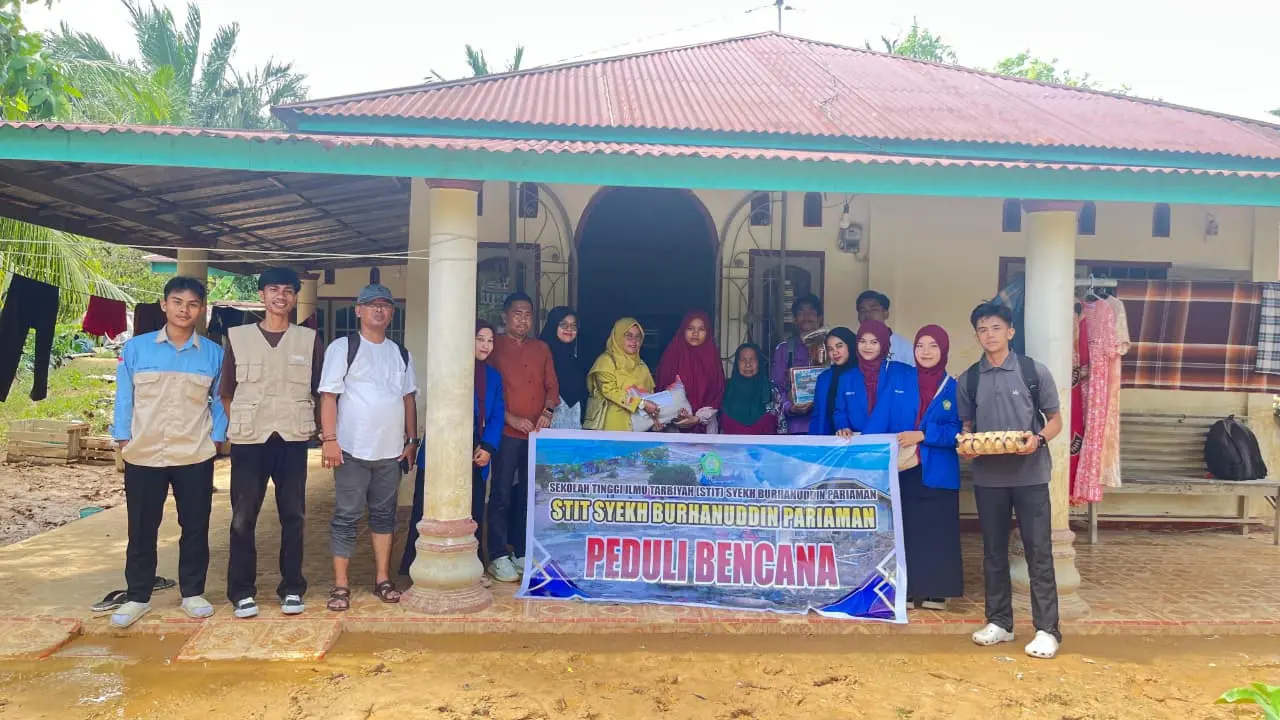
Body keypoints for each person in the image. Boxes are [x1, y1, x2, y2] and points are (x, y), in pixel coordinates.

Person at [109, 276, 227, 628]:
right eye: (177, 302)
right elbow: (125, 397)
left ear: (201, 310)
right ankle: (138, 596)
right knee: (142, 528)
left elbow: (221, 400)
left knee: (195, 526)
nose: (184, 310)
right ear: (164, 305)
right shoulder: (136, 349)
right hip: (144, 452)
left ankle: (193, 593)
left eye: (192, 304)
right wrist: (123, 438)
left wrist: (217, 438)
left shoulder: (213, 354)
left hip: (194, 453)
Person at [956, 302, 1064, 660]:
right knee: (993, 552)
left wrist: (1039, 440)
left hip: (1030, 475)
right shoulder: (969, 379)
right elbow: (967, 426)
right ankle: (1000, 622)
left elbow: (1055, 420)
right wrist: (967, 446)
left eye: (996, 328)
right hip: (989, 479)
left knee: (1038, 551)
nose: (989, 335)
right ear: (977, 336)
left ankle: (1047, 630)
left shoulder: (1033, 371)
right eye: (982, 329)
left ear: (1010, 332)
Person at [221, 267, 325, 619]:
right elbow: (227, 393)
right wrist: (245, 424)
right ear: (262, 296)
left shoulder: (308, 340)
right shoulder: (238, 338)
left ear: (295, 297)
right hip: (250, 441)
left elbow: (321, 391)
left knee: (293, 517)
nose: (281, 296)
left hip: (292, 440)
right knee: (243, 518)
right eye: (273, 289)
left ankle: (292, 588)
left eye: (288, 291)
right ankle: (241, 592)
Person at [318, 283, 418, 612]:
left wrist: (411, 441)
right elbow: (329, 396)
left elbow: (408, 399)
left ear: (392, 313)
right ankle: (341, 586)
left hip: (390, 452)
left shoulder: (400, 353)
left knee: (384, 517)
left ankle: (383, 580)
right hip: (351, 450)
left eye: (385, 305)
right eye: (372, 304)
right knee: (346, 516)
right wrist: (330, 440)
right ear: (358, 310)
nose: (379, 310)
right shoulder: (343, 348)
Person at [869, 325, 964, 611]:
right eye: (920, 345)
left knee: (938, 530)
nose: (926, 352)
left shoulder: (953, 387)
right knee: (906, 528)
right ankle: (907, 588)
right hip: (904, 468)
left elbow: (958, 431)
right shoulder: (901, 380)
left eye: (933, 346)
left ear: (943, 350)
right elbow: (880, 418)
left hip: (939, 469)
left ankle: (937, 590)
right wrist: (863, 449)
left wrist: (923, 435)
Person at [400, 321, 505, 574]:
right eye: (480, 339)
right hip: (443, 450)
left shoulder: (493, 377)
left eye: (490, 341)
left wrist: (488, 447)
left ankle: (472, 567)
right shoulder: (449, 370)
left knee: (473, 511)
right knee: (429, 510)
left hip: (476, 452)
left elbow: (497, 414)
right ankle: (421, 567)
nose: (485, 345)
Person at [486, 292, 559, 583]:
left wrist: (547, 412)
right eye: (517, 313)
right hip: (506, 433)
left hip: (536, 435)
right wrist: (511, 418)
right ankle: (497, 555)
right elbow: (490, 392)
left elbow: (552, 387)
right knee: (501, 493)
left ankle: (520, 550)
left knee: (529, 495)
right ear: (505, 316)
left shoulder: (541, 348)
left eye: (528, 314)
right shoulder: (495, 346)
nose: (523, 319)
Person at [585, 318, 661, 431]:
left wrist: (655, 420)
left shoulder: (641, 366)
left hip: (638, 428)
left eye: (638, 337)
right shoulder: (606, 362)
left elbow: (649, 395)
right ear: (618, 337)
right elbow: (609, 391)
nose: (634, 341)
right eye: (628, 336)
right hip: (611, 426)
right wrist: (641, 403)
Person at [655, 309, 725, 433]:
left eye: (701, 329)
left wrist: (698, 418)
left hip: (705, 426)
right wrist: (677, 413)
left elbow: (717, 394)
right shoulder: (671, 357)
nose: (695, 333)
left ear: (707, 332)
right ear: (683, 330)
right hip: (674, 425)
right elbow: (661, 391)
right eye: (690, 328)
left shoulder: (712, 360)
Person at [772, 294, 824, 434]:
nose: (806, 317)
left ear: (820, 318)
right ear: (795, 320)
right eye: (801, 313)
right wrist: (789, 407)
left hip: (826, 426)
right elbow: (776, 387)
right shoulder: (784, 349)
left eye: (811, 312)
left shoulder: (831, 347)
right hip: (795, 427)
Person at [539, 307, 587, 428]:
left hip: (573, 425)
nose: (569, 329)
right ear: (553, 325)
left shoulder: (577, 361)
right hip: (543, 422)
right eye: (563, 325)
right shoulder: (541, 355)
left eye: (573, 326)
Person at [720, 344, 779, 435]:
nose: (748, 364)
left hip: (764, 444)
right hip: (729, 444)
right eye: (743, 360)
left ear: (759, 362)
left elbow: (781, 429)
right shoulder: (725, 389)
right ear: (737, 363)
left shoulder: (770, 390)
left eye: (753, 359)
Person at [809, 327, 856, 436]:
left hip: (857, 439)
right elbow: (817, 416)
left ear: (850, 345)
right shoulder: (823, 378)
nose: (835, 352)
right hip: (827, 440)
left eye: (839, 346)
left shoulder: (863, 374)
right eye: (830, 349)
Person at [856, 290, 915, 367]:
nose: (867, 314)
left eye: (874, 309)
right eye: (862, 310)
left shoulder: (903, 346)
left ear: (886, 313)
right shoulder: (851, 344)